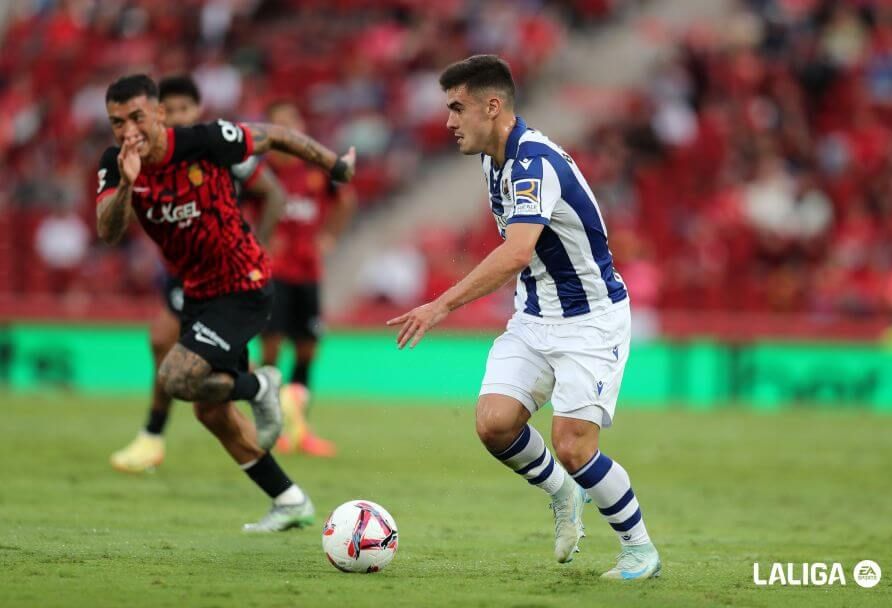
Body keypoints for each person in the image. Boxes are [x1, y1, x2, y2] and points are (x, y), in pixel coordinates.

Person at [387, 55, 661, 579]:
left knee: (574, 446)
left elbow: (516, 253)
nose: (448, 121)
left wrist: (440, 304)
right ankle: (563, 494)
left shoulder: (533, 162)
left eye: (456, 107)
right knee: (494, 424)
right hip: (535, 315)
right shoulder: (493, 159)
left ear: (493, 106)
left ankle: (639, 548)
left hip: (590, 319)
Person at [96, 74, 355, 531]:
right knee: (211, 411)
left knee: (176, 376)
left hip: (243, 283)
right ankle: (289, 499)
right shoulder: (116, 165)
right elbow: (108, 230)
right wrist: (124, 187)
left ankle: (259, 387)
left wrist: (335, 166)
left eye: (137, 117)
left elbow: (275, 136)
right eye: (118, 122)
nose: (128, 130)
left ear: (157, 113)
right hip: (200, 293)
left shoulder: (204, 140)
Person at [110, 75, 287, 474]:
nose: (175, 117)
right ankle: (280, 483)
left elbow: (273, 191)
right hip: (183, 274)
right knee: (178, 362)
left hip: (227, 276)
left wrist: (258, 245)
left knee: (173, 356)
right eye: (168, 111)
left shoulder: (213, 148)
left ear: (197, 111)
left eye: (182, 110)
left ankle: (154, 433)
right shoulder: (147, 157)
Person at [259, 99, 357, 457]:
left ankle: (298, 428)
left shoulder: (316, 169)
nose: (288, 131)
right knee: (270, 352)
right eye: (280, 124)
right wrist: (260, 240)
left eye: (292, 122)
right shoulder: (260, 171)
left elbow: (346, 200)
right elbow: (237, 212)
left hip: (308, 272)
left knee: (306, 349)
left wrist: (329, 235)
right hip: (272, 274)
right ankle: (269, 425)